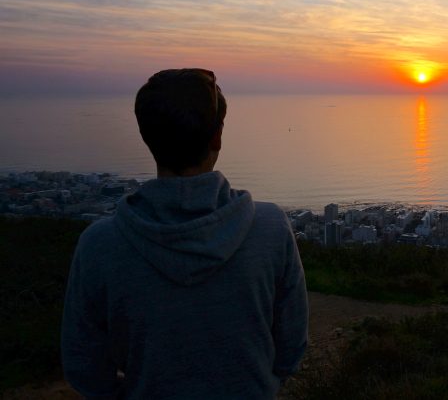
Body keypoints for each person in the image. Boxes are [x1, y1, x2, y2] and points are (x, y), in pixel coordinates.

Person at [61, 69, 308, 399]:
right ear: (217, 137)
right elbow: (291, 344)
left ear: (146, 136)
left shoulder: (100, 245)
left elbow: (83, 364)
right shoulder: (270, 228)